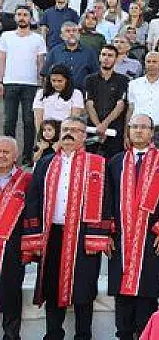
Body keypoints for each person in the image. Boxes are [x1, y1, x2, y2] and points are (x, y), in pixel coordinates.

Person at [23, 116, 113, 340]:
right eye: (65, 129)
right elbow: (33, 199)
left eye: (75, 130)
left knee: (84, 288)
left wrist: (98, 236)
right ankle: (53, 334)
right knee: (52, 286)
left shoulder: (98, 163)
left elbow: (106, 201)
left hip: (84, 234)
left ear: (84, 135)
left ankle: (83, 335)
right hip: (52, 233)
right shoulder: (45, 162)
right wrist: (34, 238)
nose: (68, 134)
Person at [106, 114, 159, 340]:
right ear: (128, 130)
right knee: (122, 292)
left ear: (152, 132)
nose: (138, 131)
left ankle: (145, 334)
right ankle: (124, 335)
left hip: (151, 236)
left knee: (147, 291)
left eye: (144, 127)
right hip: (122, 237)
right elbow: (106, 201)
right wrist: (106, 233)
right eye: (134, 126)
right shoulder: (116, 162)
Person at [0, 5, 46, 165]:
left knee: (28, 121)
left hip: (31, 84)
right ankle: (8, 156)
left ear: (31, 18)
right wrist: (0, 81)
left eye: (25, 14)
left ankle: (27, 156)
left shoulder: (38, 39)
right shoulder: (6, 36)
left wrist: (42, 85)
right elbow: (2, 59)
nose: (22, 17)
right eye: (19, 14)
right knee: (9, 121)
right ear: (15, 17)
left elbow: (41, 63)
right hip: (10, 82)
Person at [0, 136, 32, 340]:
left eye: (6, 152)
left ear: (15, 155)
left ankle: (11, 336)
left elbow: (32, 216)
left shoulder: (26, 180)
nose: (1, 155)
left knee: (11, 294)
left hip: (13, 249)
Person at [125, 52, 159, 151]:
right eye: (148, 61)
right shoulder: (134, 84)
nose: (151, 64)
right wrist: (126, 134)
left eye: (154, 62)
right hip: (138, 131)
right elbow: (130, 110)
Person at [84, 45, 129, 159]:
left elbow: (120, 105)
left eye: (110, 55)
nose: (106, 58)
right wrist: (98, 126)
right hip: (93, 130)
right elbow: (89, 104)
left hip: (114, 131)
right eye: (103, 55)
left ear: (116, 59)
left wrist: (104, 125)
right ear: (99, 57)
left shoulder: (123, 80)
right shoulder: (90, 79)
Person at [41, 21, 99, 90]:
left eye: (74, 31)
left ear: (79, 34)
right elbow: (45, 75)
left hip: (81, 95)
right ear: (61, 36)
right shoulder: (54, 52)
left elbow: (95, 75)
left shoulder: (89, 52)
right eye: (68, 31)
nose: (71, 33)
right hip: (59, 95)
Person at [32, 63, 84, 132]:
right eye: (53, 81)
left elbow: (74, 119)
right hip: (46, 133)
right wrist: (41, 137)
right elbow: (38, 119)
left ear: (67, 80)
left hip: (66, 133)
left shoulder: (76, 94)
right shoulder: (41, 93)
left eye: (60, 81)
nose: (56, 84)